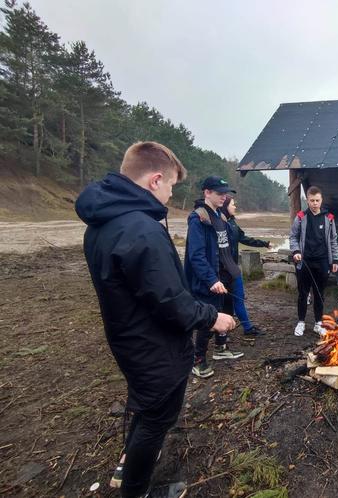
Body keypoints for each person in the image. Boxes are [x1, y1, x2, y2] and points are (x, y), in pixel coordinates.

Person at [75, 142, 235, 498]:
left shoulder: (103, 223)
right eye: (171, 186)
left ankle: (127, 468)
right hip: (154, 347)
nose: (170, 194)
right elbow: (171, 302)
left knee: (146, 410)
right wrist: (214, 318)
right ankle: (136, 490)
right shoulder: (140, 230)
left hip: (129, 338)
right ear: (155, 180)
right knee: (157, 419)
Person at [184, 176, 246, 379]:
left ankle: (221, 348)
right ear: (207, 193)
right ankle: (198, 360)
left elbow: (225, 249)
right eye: (219, 193)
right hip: (209, 281)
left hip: (225, 277)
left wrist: (231, 274)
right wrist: (211, 280)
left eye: (225, 193)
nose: (224, 196)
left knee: (226, 313)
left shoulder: (221, 216)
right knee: (209, 319)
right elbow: (196, 256)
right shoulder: (199, 218)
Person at [289, 186, 338, 336]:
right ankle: (301, 322)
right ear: (307, 200)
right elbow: (293, 237)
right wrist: (296, 251)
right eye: (312, 200)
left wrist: (335, 259)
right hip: (304, 262)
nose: (315, 203)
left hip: (322, 262)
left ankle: (318, 323)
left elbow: (333, 240)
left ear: (321, 200)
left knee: (319, 293)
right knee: (303, 294)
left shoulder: (329, 218)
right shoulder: (300, 217)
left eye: (317, 200)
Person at [220, 196, 270, 335]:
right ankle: (221, 334)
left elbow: (244, 238)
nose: (235, 207)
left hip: (233, 269)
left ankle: (247, 328)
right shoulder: (218, 224)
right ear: (225, 206)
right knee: (225, 303)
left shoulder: (233, 223)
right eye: (233, 204)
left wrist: (264, 243)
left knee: (239, 298)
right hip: (222, 272)